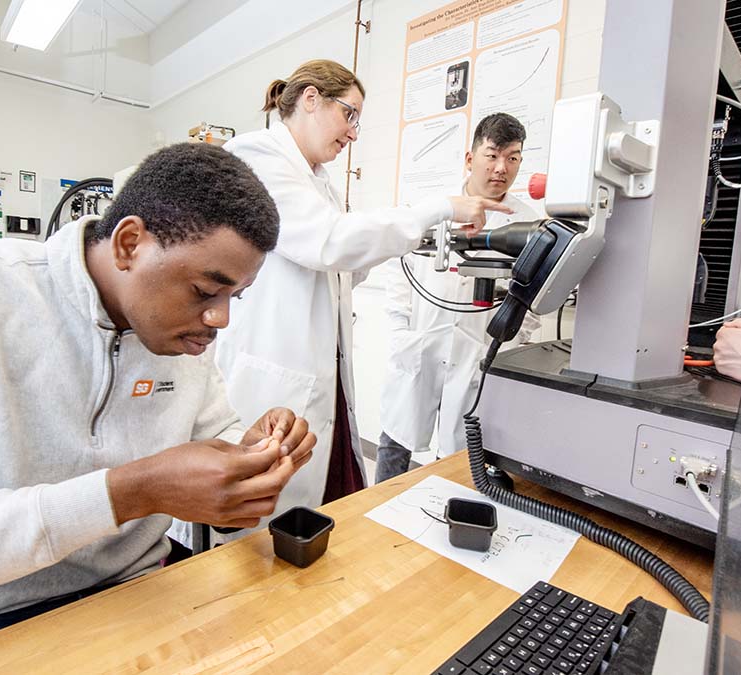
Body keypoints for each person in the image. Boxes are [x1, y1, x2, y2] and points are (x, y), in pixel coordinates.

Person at [0, 143, 318, 674]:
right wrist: (125, 494)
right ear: (130, 244)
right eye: (206, 290)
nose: (221, 318)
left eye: (237, 295)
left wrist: (251, 450)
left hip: (136, 586)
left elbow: (215, 432)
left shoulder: (179, 334)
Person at [191, 59, 510, 545]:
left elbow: (339, 267)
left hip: (321, 377)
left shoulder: (317, 180)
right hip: (273, 371)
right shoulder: (257, 157)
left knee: (313, 516)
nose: (354, 133)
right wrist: (437, 208)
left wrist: (408, 239)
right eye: (350, 115)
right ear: (312, 99)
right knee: (255, 535)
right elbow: (325, 242)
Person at [376, 113, 544, 482]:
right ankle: (376, 511)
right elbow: (398, 273)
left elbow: (533, 299)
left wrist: (508, 346)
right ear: (470, 159)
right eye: (492, 155)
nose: (502, 168)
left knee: (460, 455)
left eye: (513, 158)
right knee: (395, 439)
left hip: (477, 353)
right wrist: (401, 331)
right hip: (419, 344)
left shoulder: (529, 222)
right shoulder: (434, 208)